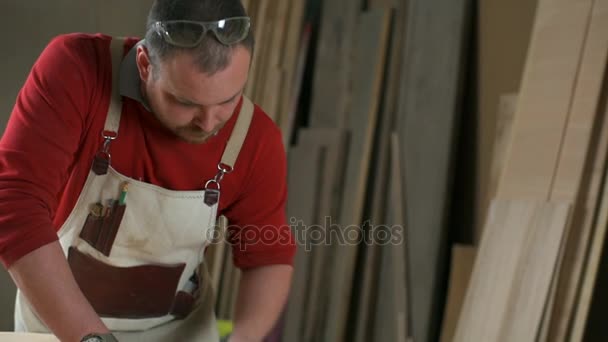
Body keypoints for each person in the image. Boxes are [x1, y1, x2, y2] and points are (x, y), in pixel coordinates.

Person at [0, 0, 296, 341]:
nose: (209, 123)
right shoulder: (78, 70)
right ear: (144, 64)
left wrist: (242, 338)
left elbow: (267, 256)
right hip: (61, 329)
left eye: (229, 99)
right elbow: (16, 204)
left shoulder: (255, 138)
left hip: (179, 333)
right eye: (186, 102)